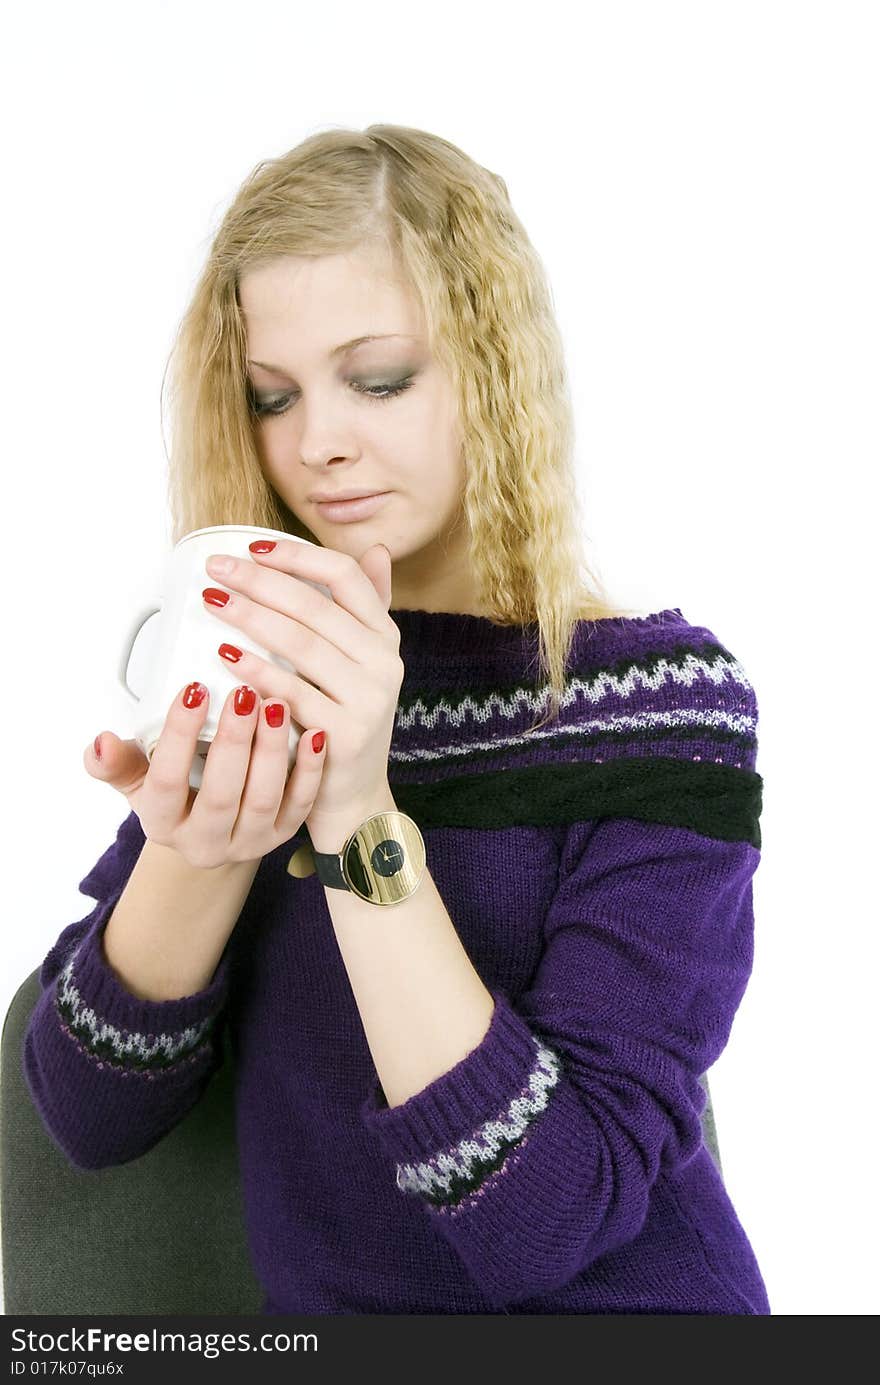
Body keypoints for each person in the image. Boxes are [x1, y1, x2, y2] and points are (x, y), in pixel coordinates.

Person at [22, 123, 771, 1315]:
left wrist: (357, 810)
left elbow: (547, 1214)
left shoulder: (661, 706)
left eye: (377, 378)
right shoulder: (264, 669)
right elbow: (85, 1120)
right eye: (273, 395)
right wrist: (193, 850)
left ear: (494, 367)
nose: (317, 440)